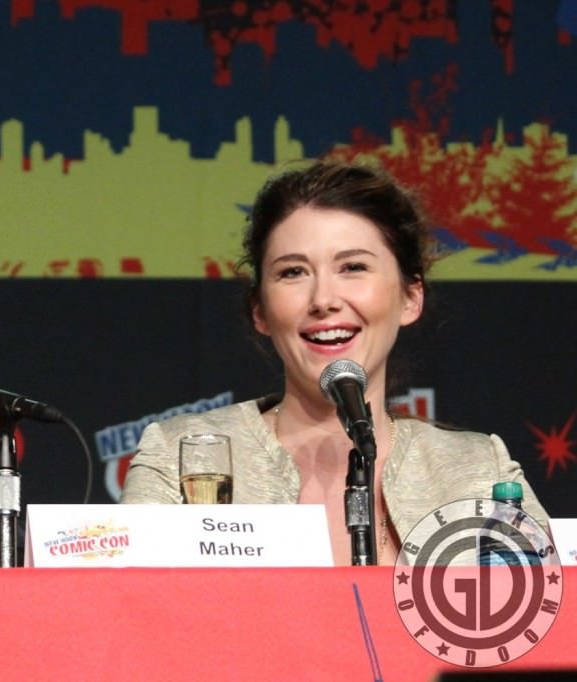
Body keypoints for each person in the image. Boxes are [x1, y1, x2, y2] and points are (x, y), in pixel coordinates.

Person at [120, 160, 548, 565]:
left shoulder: (478, 469)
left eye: (353, 267)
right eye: (293, 273)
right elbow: (128, 621)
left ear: (410, 297)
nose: (323, 300)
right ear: (261, 311)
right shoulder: (180, 457)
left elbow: (551, 624)